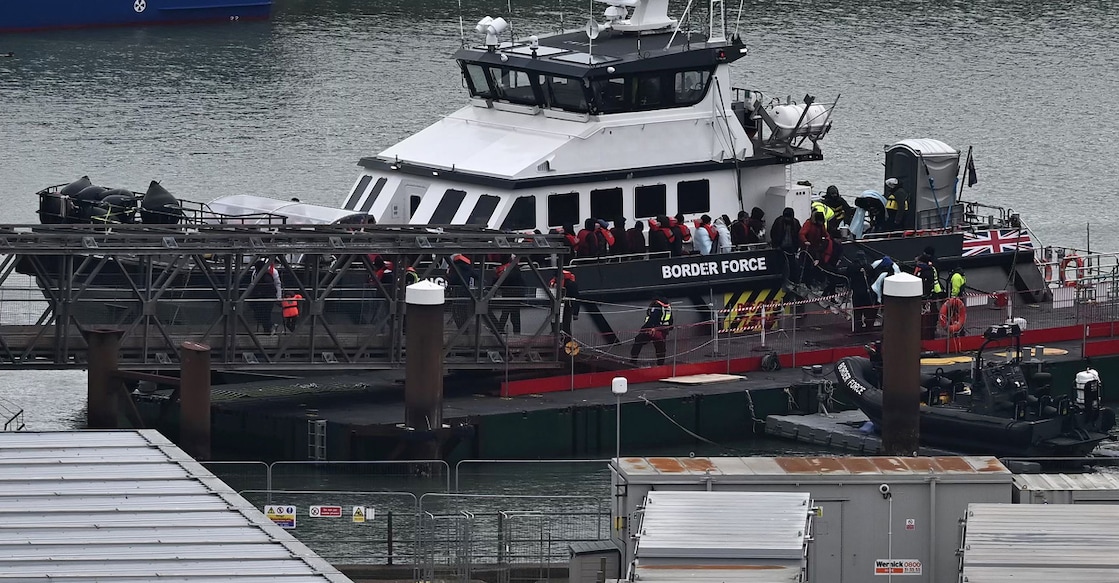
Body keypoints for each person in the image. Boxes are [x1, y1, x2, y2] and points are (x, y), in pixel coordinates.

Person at [630, 297, 673, 366]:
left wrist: (643, 329)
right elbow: (671, 322)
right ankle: (660, 364)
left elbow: (651, 320)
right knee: (661, 348)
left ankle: (633, 360)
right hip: (662, 331)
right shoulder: (668, 308)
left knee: (638, 341)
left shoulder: (656, 308)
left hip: (651, 331)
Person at [799, 211, 834, 290]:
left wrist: (828, 239)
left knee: (816, 266)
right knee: (806, 266)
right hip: (807, 249)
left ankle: (814, 281)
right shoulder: (808, 224)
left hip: (816, 249)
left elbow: (826, 234)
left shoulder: (820, 226)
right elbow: (802, 234)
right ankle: (806, 282)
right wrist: (805, 241)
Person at [247, 257, 282, 334]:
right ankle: (269, 329)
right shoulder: (257, 273)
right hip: (262, 298)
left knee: (264, 314)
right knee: (263, 315)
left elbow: (275, 286)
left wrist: (278, 297)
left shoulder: (270, 274)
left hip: (266, 298)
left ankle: (268, 329)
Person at [913, 253, 944, 339]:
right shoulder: (932, 269)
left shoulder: (921, 271)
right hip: (932, 294)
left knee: (926, 315)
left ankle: (925, 333)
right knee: (932, 314)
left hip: (925, 297)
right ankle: (931, 331)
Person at [846, 251, 877, 333]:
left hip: (857, 292)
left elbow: (847, 274)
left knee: (857, 311)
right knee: (868, 310)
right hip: (867, 292)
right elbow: (873, 276)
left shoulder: (852, 267)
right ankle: (869, 327)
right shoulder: (869, 267)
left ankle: (858, 328)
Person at [769, 207, 802, 283]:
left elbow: (798, 235)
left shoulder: (796, 223)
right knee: (779, 265)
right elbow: (773, 233)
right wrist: (776, 245)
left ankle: (793, 281)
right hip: (779, 248)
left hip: (791, 248)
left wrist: (796, 247)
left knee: (792, 266)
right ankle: (779, 281)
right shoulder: (778, 222)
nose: (787, 219)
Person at [495, 255, 526, 334]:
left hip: (509, 293)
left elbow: (503, 280)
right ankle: (516, 332)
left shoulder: (508, 270)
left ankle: (500, 329)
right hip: (515, 294)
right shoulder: (516, 270)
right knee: (514, 314)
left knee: (506, 312)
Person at [447, 253, 478, 328]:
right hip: (466, 291)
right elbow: (477, 276)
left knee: (456, 310)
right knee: (464, 309)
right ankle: (465, 326)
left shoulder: (454, 268)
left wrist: (448, 278)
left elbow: (453, 280)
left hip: (457, 291)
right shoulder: (468, 268)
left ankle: (460, 326)